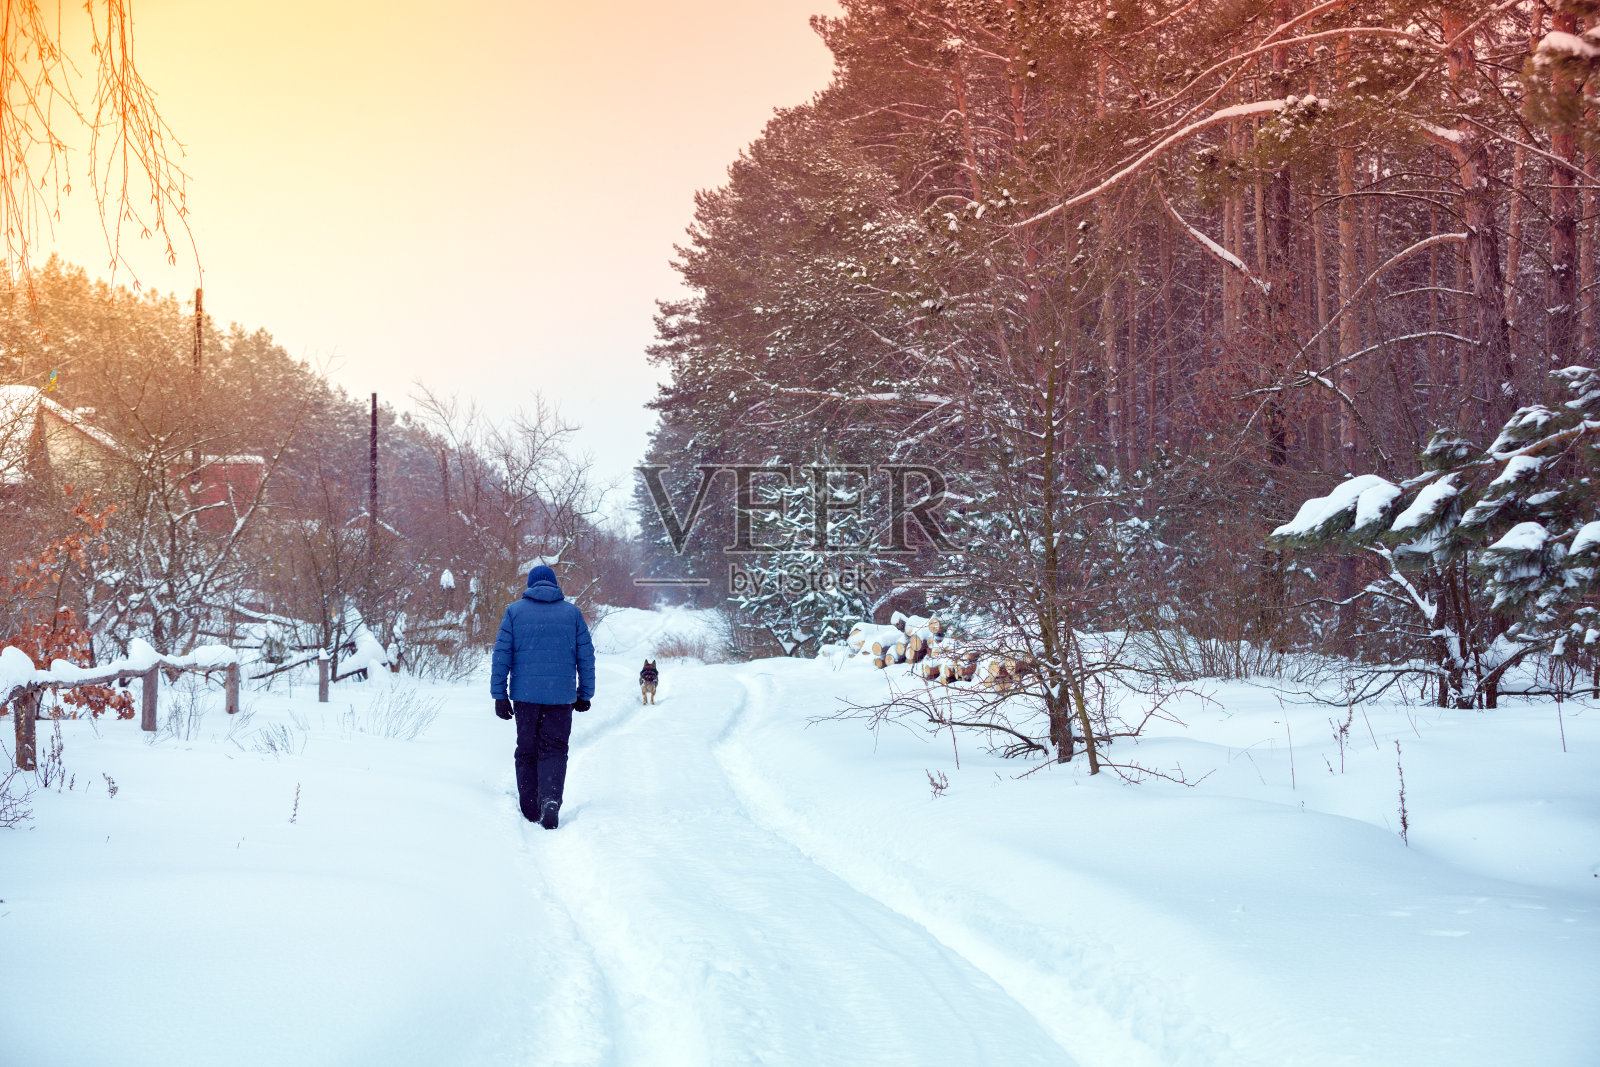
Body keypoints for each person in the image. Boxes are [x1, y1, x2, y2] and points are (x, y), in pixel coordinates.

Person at [491, 564, 595, 829]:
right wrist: (585, 693)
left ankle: (528, 808)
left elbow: (502, 655)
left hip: (525, 697)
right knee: (555, 749)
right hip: (561, 698)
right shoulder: (572, 614)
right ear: (555, 584)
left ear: (530, 585)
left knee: (527, 750)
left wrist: (499, 694)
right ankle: (550, 800)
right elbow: (586, 656)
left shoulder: (514, 612)